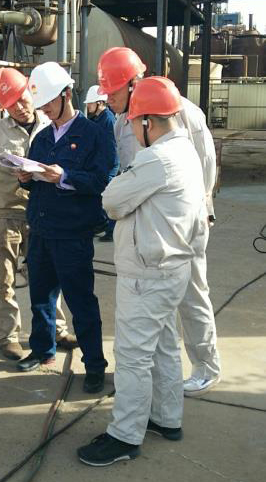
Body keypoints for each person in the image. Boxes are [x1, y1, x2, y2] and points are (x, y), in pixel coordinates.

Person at [78, 76, 208, 466]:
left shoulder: (156, 158)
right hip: (172, 269)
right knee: (165, 346)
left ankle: (125, 435)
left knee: (133, 356)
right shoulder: (186, 151)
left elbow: (112, 201)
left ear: (149, 121)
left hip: (148, 274)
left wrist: (123, 184)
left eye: (134, 122)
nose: (132, 130)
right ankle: (166, 417)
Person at [97, 46, 221, 397]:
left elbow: (205, 164)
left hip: (183, 222)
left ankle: (206, 366)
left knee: (192, 294)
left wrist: (203, 209)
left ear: (133, 83)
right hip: (148, 222)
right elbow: (128, 172)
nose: (108, 99)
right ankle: (158, 377)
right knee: (158, 305)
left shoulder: (181, 111)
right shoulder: (122, 123)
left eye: (113, 91)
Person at [0, 67, 77, 361]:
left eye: (22, 98)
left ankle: (57, 330)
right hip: (4, 215)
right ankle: (8, 336)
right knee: (3, 280)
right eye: (10, 103)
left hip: (40, 216)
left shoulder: (49, 124)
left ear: (31, 92)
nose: (19, 107)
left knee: (48, 278)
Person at [16, 62, 112, 393]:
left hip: (72, 233)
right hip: (41, 229)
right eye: (40, 104)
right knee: (40, 297)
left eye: (47, 103)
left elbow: (103, 180)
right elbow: (35, 181)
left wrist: (65, 177)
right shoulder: (42, 137)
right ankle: (43, 350)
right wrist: (26, 177)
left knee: (81, 302)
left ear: (66, 94)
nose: (43, 110)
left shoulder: (94, 134)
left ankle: (95, 364)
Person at [83, 85, 119, 242]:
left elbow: (111, 147)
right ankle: (101, 224)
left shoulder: (108, 120)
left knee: (108, 196)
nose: (88, 106)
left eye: (90, 103)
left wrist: (109, 169)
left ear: (99, 103)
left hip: (108, 165)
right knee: (98, 196)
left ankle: (111, 230)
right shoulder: (99, 119)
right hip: (101, 163)